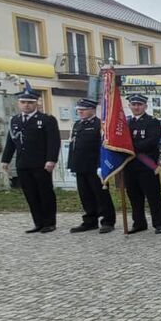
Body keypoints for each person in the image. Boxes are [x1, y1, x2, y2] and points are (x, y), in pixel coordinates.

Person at [0, 85, 60, 233]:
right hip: (23, 163)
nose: (26, 105)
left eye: (30, 102)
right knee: (30, 194)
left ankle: (49, 222)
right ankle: (38, 222)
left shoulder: (46, 120)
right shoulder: (15, 120)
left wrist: (51, 160)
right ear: (19, 103)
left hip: (41, 163)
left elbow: (53, 141)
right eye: (23, 102)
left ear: (36, 103)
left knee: (45, 193)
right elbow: (11, 141)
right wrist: (5, 160)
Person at [66, 98, 115, 234]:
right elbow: (73, 146)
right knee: (85, 195)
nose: (80, 112)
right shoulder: (77, 125)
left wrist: (102, 166)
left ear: (92, 109)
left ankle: (108, 221)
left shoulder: (100, 125)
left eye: (83, 109)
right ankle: (90, 220)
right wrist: (71, 165)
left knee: (101, 194)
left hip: (95, 166)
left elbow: (104, 147)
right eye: (78, 110)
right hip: (80, 166)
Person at [125, 94, 161, 234]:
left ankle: (159, 223)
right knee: (134, 196)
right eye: (134, 104)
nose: (136, 107)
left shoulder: (152, 122)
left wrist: (131, 148)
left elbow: (152, 140)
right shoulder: (126, 123)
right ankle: (139, 223)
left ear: (145, 106)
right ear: (130, 106)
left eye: (139, 104)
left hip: (147, 165)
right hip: (129, 165)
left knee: (153, 196)